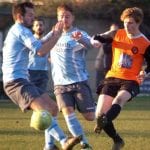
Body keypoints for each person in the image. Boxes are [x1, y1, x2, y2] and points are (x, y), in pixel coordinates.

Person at [2, 2, 81, 150]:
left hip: (23, 80)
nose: (33, 17)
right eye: (30, 15)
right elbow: (41, 51)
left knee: (52, 108)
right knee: (43, 111)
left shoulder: (20, 31)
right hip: (15, 83)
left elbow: (38, 44)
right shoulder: (20, 30)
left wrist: (53, 33)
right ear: (20, 16)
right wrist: (57, 36)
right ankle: (64, 141)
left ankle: (49, 146)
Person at [92, 7, 150, 150]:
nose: (127, 26)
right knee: (99, 114)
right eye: (125, 22)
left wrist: (145, 72)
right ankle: (117, 140)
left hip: (131, 80)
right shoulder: (117, 33)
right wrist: (95, 39)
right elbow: (100, 37)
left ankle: (103, 122)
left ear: (138, 23)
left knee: (119, 100)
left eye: (130, 23)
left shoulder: (145, 43)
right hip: (112, 77)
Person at [47, 3, 100, 150]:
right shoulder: (53, 34)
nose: (64, 19)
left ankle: (97, 107)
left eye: (67, 16)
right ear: (58, 18)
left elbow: (90, 43)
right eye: (61, 16)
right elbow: (41, 46)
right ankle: (85, 144)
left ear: (73, 18)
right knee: (67, 112)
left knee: (90, 117)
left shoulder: (78, 33)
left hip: (78, 82)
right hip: (59, 84)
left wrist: (81, 40)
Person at [28, 17, 50, 93]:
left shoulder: (49, 41)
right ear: (33, 28)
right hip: (31, 71)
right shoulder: (29, 39)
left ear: (44, 27)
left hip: (43, 72)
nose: (39, 27)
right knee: (31, 97)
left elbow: (50, 56)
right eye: (36, 25)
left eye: (41, 25)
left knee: (41, 97)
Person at [95, 23, 119, 88]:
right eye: (112, 31)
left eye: (116, 31)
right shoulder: (105, 40)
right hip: (101, 68)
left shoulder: (120, 41)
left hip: (114, 71)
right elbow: (95, 39)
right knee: (100, 88)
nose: (114, 33)